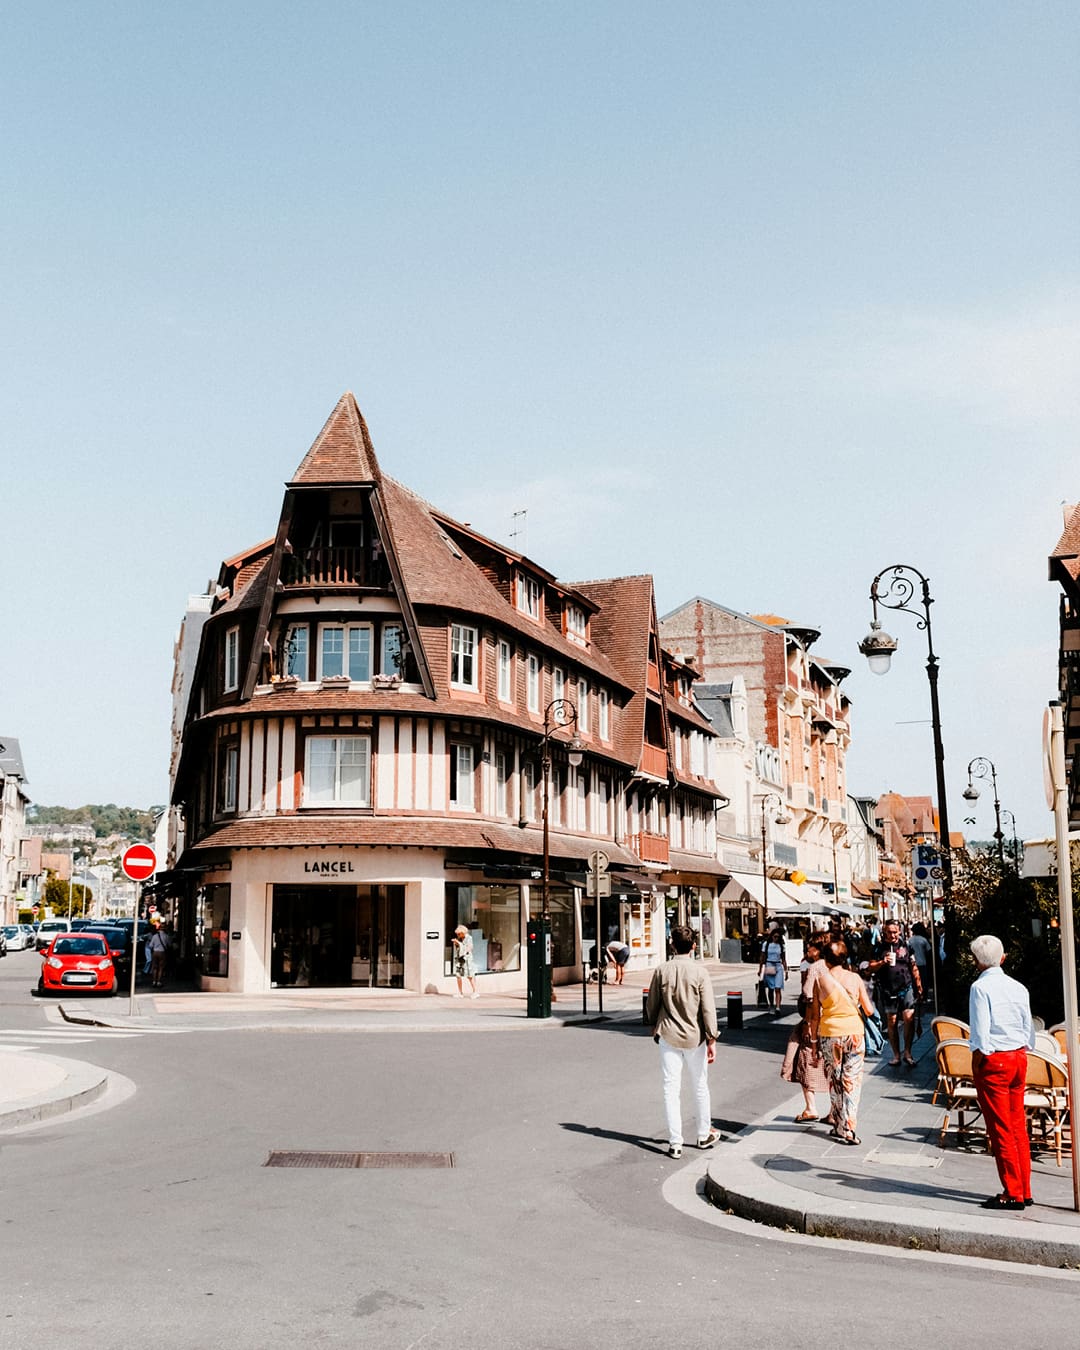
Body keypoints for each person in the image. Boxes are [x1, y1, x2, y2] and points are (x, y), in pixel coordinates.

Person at [968, 933, 1036, 1210]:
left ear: (976, 962)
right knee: (1017, 1124)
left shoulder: (979, 988)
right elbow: (1028, 1027)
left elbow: (980, 1034)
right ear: (1003, 958)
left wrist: (977, 1062)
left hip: (995, 1058)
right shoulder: (1018, 987)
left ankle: (1012, 1191)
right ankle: (1025, 1187)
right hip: (1018, 1055)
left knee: (1000, 1128)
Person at [646, 924, 720, 1159]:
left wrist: (653, 1023)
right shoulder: (700, 973)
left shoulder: (662, 970)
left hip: (668, 1034)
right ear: (694, 946)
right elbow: (708, 1009)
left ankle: (675, 1141)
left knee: (671, 1088)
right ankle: (702, 1134)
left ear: (672, 945)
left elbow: (652, 1003)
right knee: (700, 1085)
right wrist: (712, 1037)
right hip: (695, 1036)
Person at [808, 939, 876, 1146]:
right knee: (852, 1081)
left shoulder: (820, 980)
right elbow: (869, 1010)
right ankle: (849, 1127)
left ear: (825, 959)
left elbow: (814, 1017)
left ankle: (839, 1124)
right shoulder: (854, 978)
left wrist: (813, 1044)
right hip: (854, 1033)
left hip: (830, 1034)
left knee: (835, 1081)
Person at [781, 931, 832, 1123]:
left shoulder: (816, 968)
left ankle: (811, 1107)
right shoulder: (836, 966)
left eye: (810, 946)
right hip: (835, 1021)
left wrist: (809, 1028)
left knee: (804, 1059)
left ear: (817, 949)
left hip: (815, 1021)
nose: (807, 949)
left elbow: (809, 997)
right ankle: (835, 1110)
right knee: (833, 1064)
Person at [867, 918, 923, 1066]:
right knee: (891, 1022)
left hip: (906, 987)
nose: (892, 935)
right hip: (887, 990)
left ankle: (908, 1053)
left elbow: (913, 965)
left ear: (899, 931)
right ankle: (896, 1055)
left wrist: (918, 984)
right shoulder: (879, 948)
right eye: (889, 932)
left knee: (908, 1019)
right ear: (884, 932)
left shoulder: (906, 945)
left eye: (895, 932)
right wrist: (882, 962)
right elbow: (870, 967)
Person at [756, 924, 788, 1015]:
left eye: (778, 937)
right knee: (771, 988)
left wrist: (786, 971)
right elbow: (762, 957)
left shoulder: (781, 945)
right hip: (769, 964)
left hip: (778, 965)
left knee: (778, 988)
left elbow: (784, 959)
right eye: (775, 936)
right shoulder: (766, 944)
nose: (776, 938)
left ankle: (778, 1007)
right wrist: (760, 969)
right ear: (772, 936)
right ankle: (771, 1005)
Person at [451, 925, 479, 999]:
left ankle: (475, 992)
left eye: (459, 934)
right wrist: (457, 944)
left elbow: (469, 948)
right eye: (457, 934)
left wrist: (459, 944)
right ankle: (460, 992)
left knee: (470, 975)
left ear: (463, 932)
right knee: (458, 975)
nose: (458, 935)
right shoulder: (459, 938)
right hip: (459, 959)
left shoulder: (469, 938)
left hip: (466, 959)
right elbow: (458, 949)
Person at [147, 924, 170, 989]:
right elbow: (169, 944)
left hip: (155, 952)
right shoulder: (166, 936)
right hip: (162, 952)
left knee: (154, 967)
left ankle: (154, 981)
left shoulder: (154, 936)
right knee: (161, 968)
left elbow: (150, 945)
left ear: (159, 929)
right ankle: (159, 982)